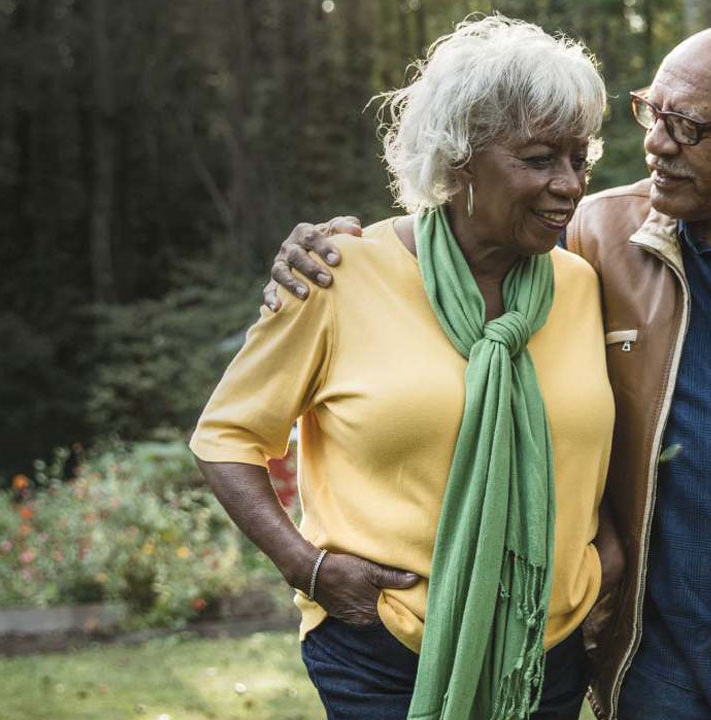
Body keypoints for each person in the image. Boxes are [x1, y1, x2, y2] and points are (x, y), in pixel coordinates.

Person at [266, 22, 711, 720]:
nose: (655, 143)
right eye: (651, 112)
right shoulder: (585, 238)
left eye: (686, 125)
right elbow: (453, 257)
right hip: (651, 666)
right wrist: (327, 250)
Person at [190, 15, 623, 720]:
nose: (569, 185)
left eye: (580, 159)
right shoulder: (338, 275)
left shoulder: (583, 284)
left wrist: (606, 558)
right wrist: (307, 566)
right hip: (381, 643)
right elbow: (225, 438)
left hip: (545, 651)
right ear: (459, 160)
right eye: (540, 158)